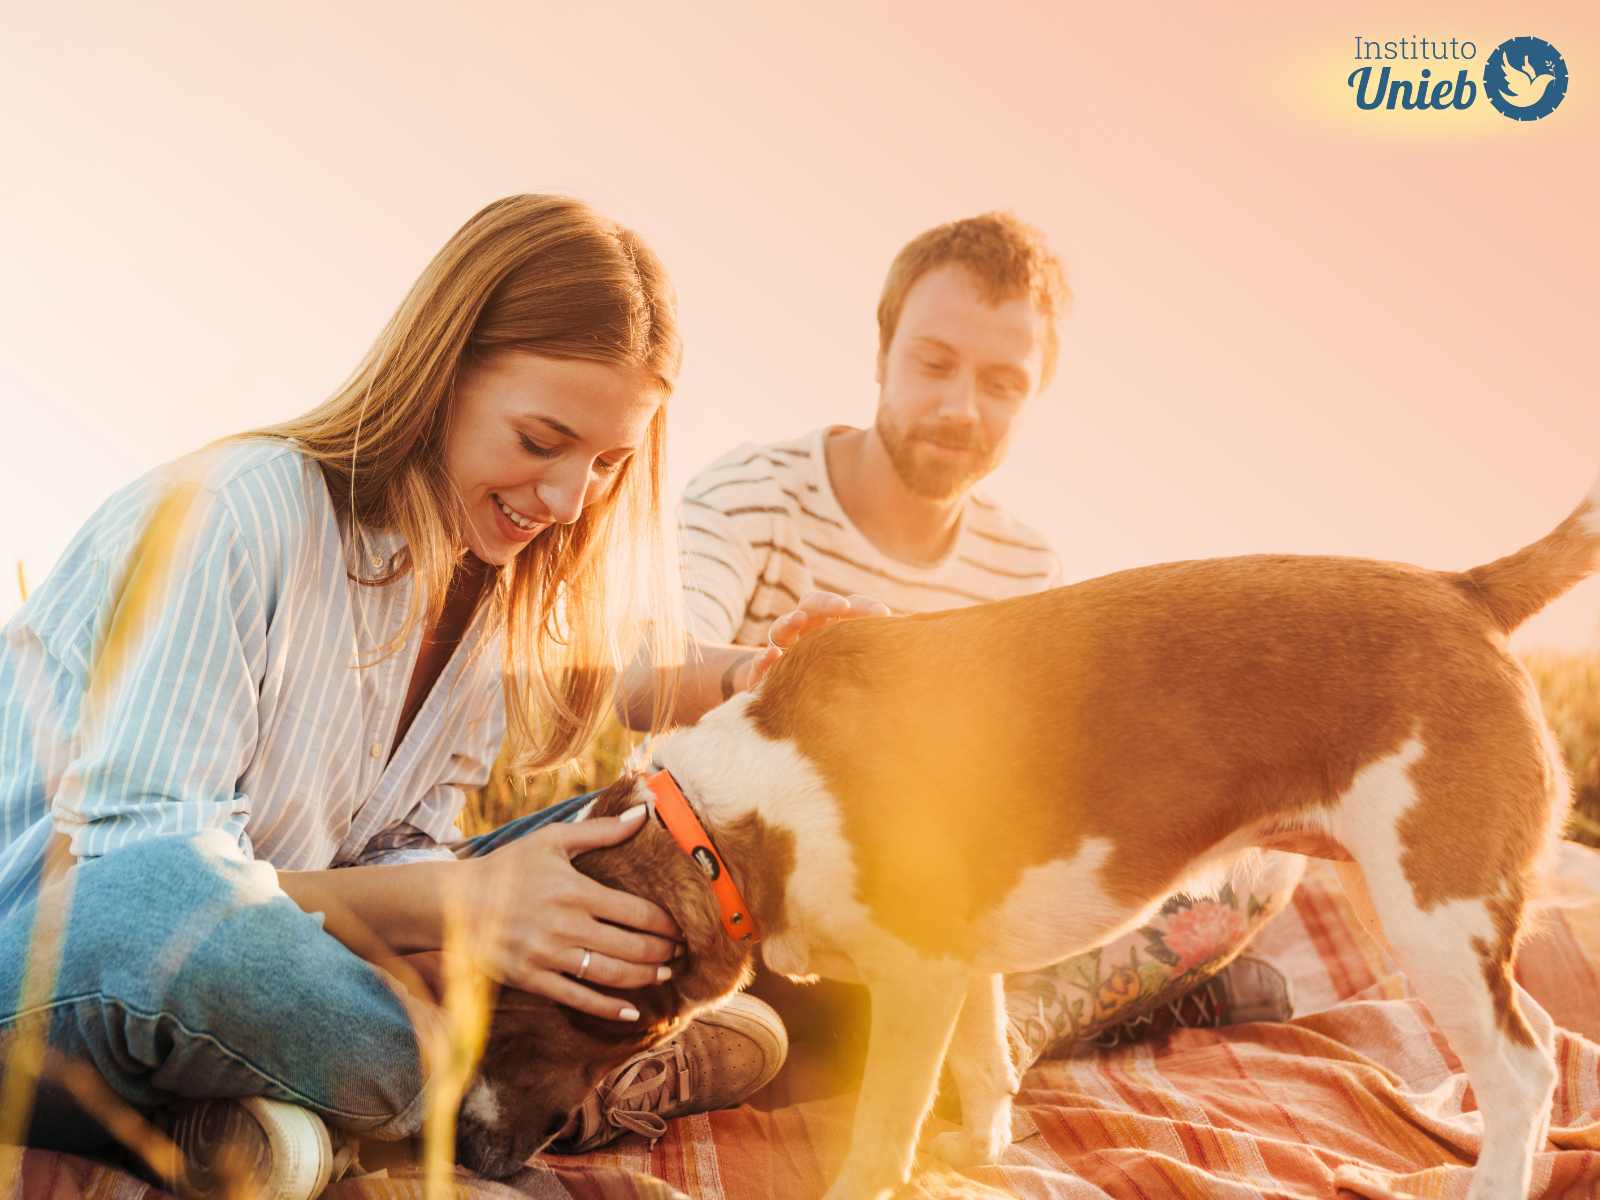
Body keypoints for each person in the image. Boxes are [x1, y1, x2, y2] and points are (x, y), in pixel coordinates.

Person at [0, 195, 788, 1200]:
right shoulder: (231, 512)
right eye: (540, 439)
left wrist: (480, 908)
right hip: (57, 968)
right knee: (184, 915)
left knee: (633, 840)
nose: (565, 498)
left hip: (265, 970)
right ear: (441, 372)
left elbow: (394, 859)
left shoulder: (487, 592)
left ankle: (281, 1121)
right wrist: (463, 906)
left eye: (606, 463)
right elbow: (137, 885)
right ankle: (542, 1088)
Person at [610, 212, 1302, 1129]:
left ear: (1034, 396)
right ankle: (929, 1042)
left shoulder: (1027, 569)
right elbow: (639, 681)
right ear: (883, 353)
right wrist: (760, 673)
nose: (961, 408)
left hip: (959, 925)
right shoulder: (752, 496)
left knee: (1265, 855)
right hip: (765, 918)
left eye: (1002, 383)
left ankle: (997, 1044)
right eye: (934, 364)